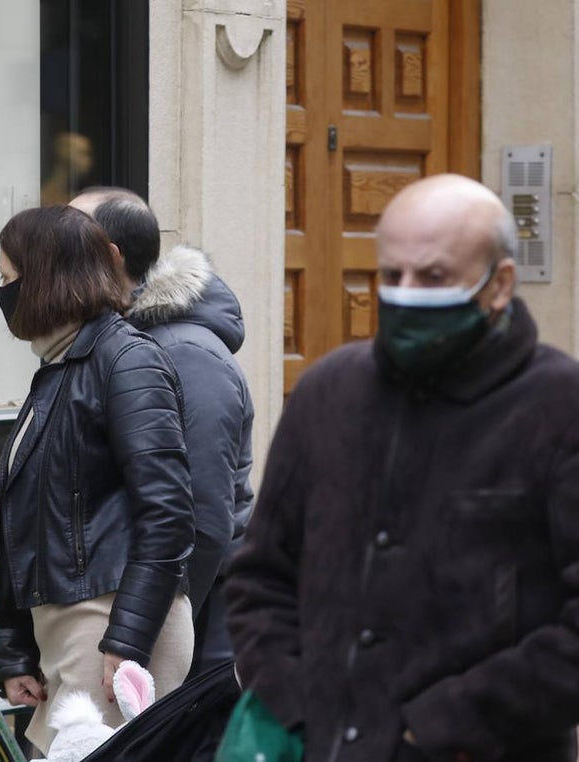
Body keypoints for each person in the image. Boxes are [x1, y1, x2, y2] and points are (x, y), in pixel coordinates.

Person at [225, 173, 579, 761]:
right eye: (392, 276)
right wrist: (301, 704)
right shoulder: (326, 393)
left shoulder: (558, 405)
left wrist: (442, 725)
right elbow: (259, 578)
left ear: (500, 285)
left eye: (434, 277)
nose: (407, 293)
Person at [0, 204, 196, 755]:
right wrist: (15, 649)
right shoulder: (60, 367)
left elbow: (168, 514)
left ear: (44, 280)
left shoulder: (124, 361)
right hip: (73, 631)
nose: (4, 291)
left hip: (111, 628)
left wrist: (127, 639)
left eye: (9, 278)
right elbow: (22, 520)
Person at [71, 187, 254, 758]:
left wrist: (146, 635)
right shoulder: (123, 345)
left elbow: (197, 519)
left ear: (111, 254)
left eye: (68, 235)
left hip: (198, 627)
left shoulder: (187, 356)